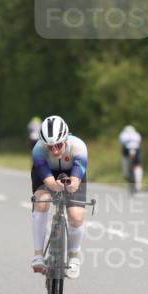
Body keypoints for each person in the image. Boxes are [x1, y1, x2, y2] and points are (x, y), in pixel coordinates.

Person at [30, 115, 88, 279]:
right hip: (47, 173)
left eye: (58, 145)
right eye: (50, 147)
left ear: (66, 139)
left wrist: (73, 184)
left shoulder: (79, 147)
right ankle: (38, 255)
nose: (55, 150)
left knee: (76, 216)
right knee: (41, 202)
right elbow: (47, 179)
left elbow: (76, 177)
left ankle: (74, 257)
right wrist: (54, 185)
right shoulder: (38, 150)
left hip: (72, 173)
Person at [119, 124, 143, 193]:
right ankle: (138, 184)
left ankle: (125, 173)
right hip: (136, 149)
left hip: (126, 150)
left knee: (125, 159)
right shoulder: (137, 134)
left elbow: (121, 145)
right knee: (138, 165)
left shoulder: (123, 134)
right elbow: (139, 143)